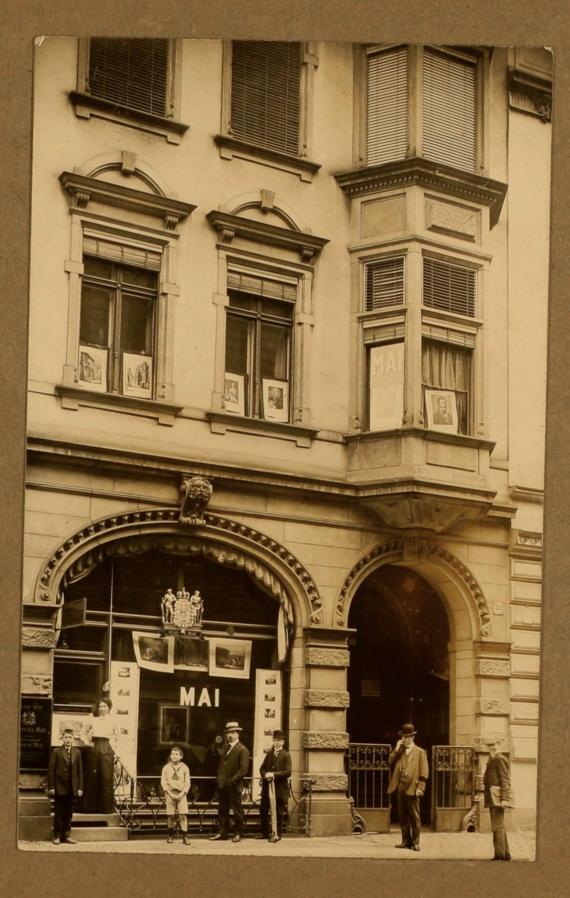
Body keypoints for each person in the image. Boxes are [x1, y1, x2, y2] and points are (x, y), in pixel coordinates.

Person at [388, 722, 429, 851]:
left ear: (412, 737)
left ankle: (416, 842)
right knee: (402, 816)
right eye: (403, 737)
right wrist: (396, 749)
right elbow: (390, 762)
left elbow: (424, 771)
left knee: (414, 816)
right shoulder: (399, 752)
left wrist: (420, 788)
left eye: (406, 737)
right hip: (400, 787)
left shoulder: (420, 752)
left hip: (413, 787)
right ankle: (405, 840)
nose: (404, 739)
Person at [209, 721, 250, 843]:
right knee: (222, 810)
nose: (230, 735)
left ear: (238, 734)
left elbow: (243, 770)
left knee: (237, 810)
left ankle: (238, 833)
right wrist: (220, 780)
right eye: (228, 733)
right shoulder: (226, 747)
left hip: (234, 786)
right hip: (223, 786)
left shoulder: (243, 750)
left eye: (233, 732)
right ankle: (223, 833)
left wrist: (231, 782)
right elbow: (222, 766)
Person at [81, 697, 120, 813]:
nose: (102, 709)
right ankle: (89, 807)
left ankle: (106, 808)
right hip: (94, 748)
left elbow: (118, 737)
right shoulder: (92, 719)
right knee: (92, 777)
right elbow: (83, 733)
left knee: (106, 777)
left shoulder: (114, 720)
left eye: (104, 706)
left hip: (107, 748)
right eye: (100, 706)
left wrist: (116, 751)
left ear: (109, 708)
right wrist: (88, 743)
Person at [47, 725, 83, 845]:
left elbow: (80, 772)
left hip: (72, 788)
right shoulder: (56, 752)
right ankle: (56, 835)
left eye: (70, 737)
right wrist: (51, 787)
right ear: (62, 738)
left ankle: (66, 835)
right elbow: (51, 771)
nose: (68, 739)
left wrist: (80, 788)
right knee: (59, 812)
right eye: (66, 737)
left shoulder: (77, 752)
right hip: (59, 787)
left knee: (69, 813)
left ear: (73, 738)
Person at [259, 729, 292, 842]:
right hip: (267, 788)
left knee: (278, 812)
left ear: (283, 742)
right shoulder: (269, 754)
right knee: (263, 809)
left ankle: (277, 835)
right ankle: (265, 833)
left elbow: (288, 772)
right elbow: (262, 768)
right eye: (275, 740)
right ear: (273, 741)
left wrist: (273, 774)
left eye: (279, 740)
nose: (277, 742)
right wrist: (265, 775)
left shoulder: (286, 755)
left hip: (279, 789)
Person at [483, 737, 512, 861]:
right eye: (489, 746)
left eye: (493, 745)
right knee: (498, 826)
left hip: (498, 798)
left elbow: (505, 780)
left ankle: (499, 856)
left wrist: (504, 798)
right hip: (492, 798)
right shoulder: (492, 759)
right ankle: (505, 855)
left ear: (499, 745)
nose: (491, 748)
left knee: (498, 827)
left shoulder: (500, 759)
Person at [161, 745, 191, 845]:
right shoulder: (166, 767)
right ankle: (170, 836)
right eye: (172, 754)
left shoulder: (185, 767)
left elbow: (187, 782)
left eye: (177, 754)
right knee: (171, 816)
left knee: (183, 815)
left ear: (181, 756)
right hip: (170, 793)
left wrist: (183, 793)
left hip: (181, 794)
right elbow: (163, 782)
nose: (174, 756)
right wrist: (169, 793)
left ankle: (185, 837)